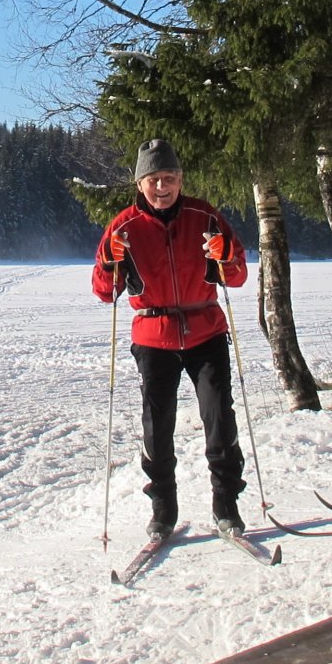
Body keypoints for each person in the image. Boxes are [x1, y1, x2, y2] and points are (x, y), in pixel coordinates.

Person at [92, 139, 250, 536]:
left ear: (180, 180)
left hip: (206, 330)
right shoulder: (123, 226)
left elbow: (238, 276)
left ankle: (226, 504)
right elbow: (104, 291)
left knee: (218, 418)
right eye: (153, 180)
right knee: (157, 427)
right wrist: (110, 260)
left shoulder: (205, 216)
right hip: (153, 335)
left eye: (169, 179)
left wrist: (226, 251)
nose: (162, 187)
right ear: (140, 184)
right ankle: (163, 509)